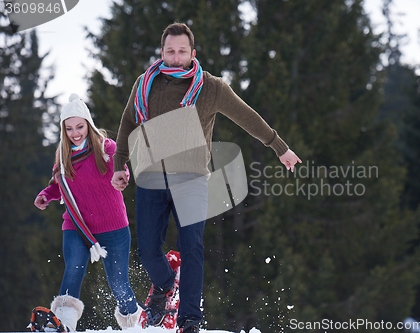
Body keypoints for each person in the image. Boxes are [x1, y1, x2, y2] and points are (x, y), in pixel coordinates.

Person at [111, 22, 301, 333]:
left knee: (192, 246)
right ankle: (164, 284)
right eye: (170, 51)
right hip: (150, 177)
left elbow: (247, 116)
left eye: (181, 51)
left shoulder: (211, 88)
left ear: (192, 53)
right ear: (162, 52)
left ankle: (189, 320)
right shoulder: (145, 83)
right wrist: (121, 162)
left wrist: (279, 147)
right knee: (147, 249)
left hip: (192, 179)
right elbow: (129, 121)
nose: (175, 57)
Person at [34, 94, 141, 331]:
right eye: (69, 128)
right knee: (73, 268)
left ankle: (135, 323)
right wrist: (46, 194)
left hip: (112, 225)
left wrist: (122, 177)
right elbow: (58, 185)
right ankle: (63, 325)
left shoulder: (105, 148)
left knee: (118, 283)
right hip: (77, 224)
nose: (75, 133)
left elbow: (121, 166)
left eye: (79, 126)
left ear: (88, 124)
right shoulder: (63, 157)